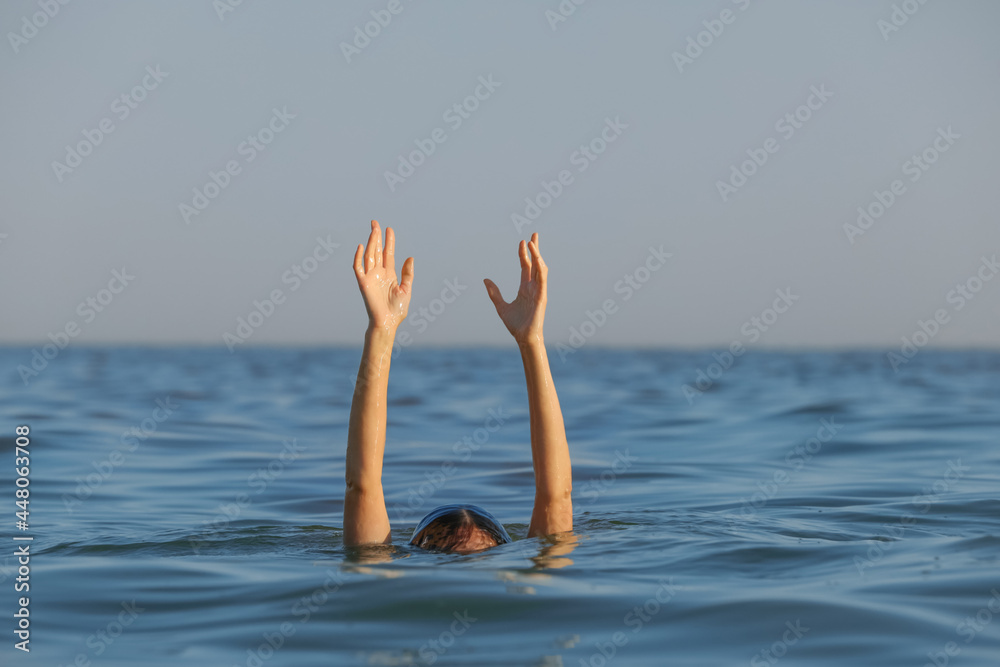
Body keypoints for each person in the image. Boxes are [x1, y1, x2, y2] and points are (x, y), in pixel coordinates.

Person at [343, 220, 572, 554]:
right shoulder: (531, 576)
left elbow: (361, 487)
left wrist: (382, 331)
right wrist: (531, 342)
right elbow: (557, 497)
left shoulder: (378, 562)